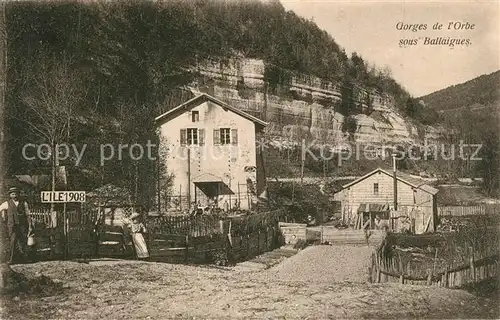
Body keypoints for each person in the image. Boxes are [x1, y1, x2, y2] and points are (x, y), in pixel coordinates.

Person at [0, 187, 33, 264]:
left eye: (16, 194)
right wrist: (3, 216)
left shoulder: (24, 203)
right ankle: (12, 260)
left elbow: (28, 215)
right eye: (12, 194)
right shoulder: (6, 203)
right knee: (13, 241)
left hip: (22, 225)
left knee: (23, 242)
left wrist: (30, 225)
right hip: (12, 226)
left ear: (18, 194)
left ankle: (25, 259)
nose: (14, 196)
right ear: (10, 195)